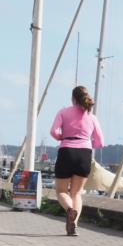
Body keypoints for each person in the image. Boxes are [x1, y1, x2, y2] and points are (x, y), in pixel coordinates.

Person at [49, 85, 104, 236]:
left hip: (66, 151)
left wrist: (62, 137)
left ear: (73, 98)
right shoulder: (92, 118)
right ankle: (73, 224)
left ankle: (69, 210)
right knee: (77, 193)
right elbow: (100, 142)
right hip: (85, 154)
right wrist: (87, 143)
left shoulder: (63, 112)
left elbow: (53, 131)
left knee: (61, 191)